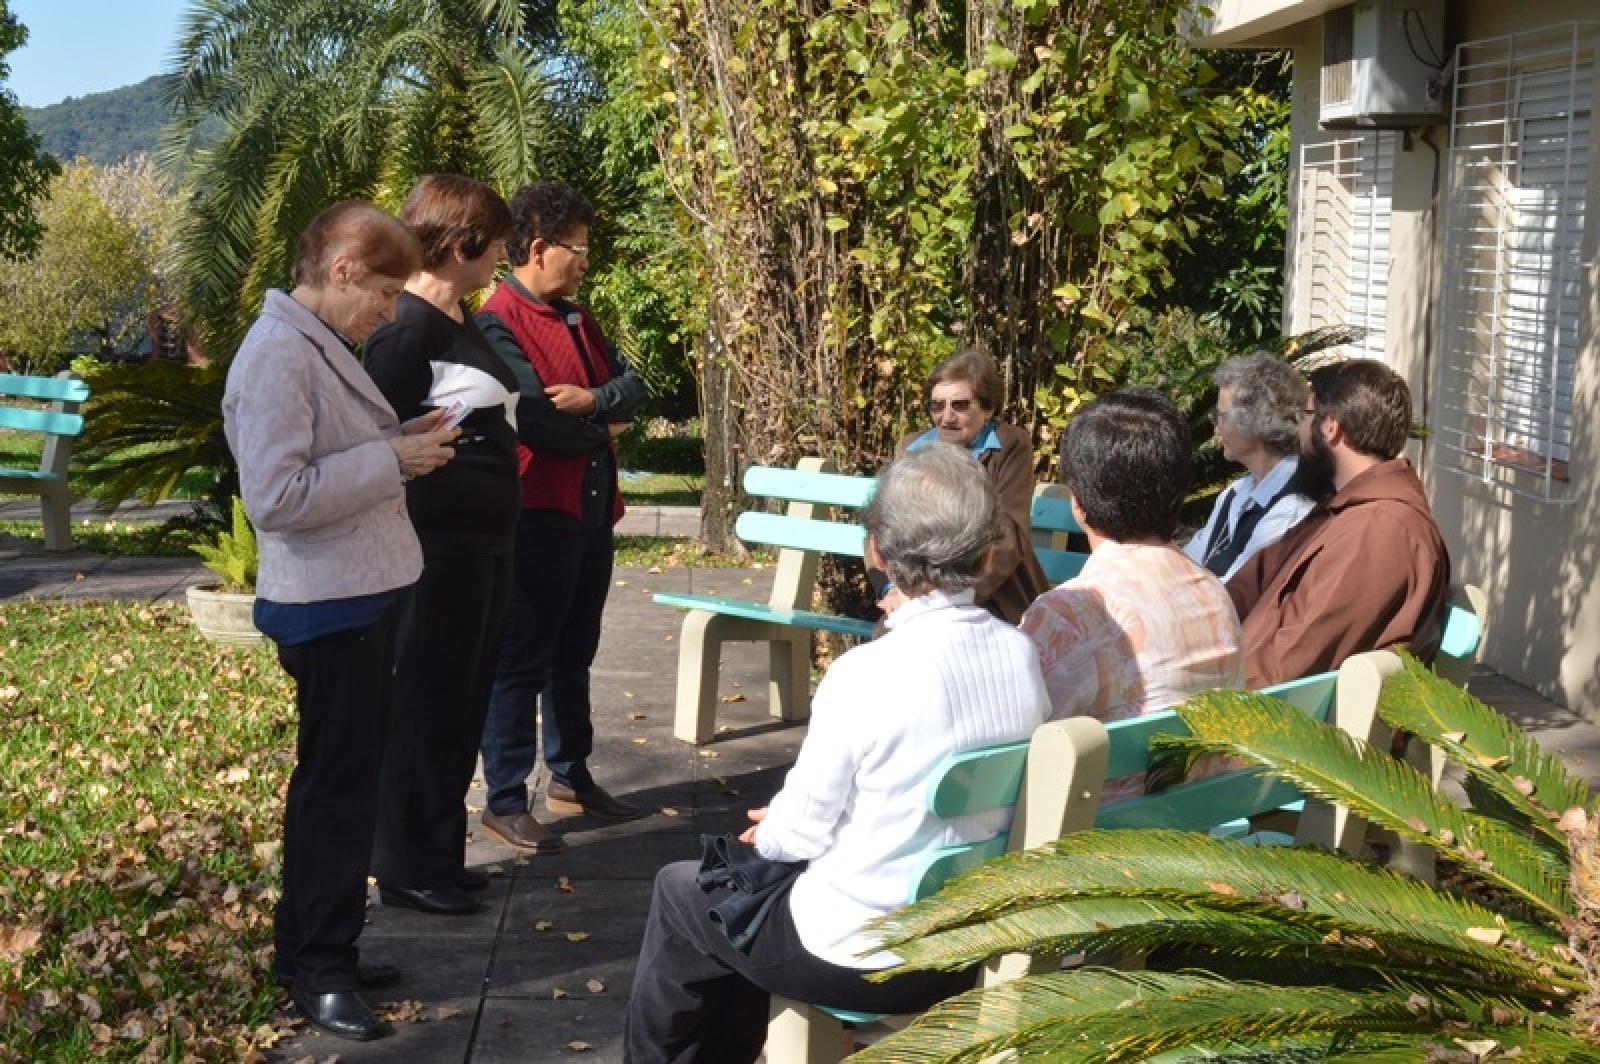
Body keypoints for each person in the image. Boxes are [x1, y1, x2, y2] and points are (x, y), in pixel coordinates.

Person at [623, 444, 1051, 1063]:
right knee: (736, 907)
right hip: (960, 942)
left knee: (686, 894)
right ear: (988, 555)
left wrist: (772, 832)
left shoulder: (866, 673)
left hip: (860, 953)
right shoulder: (1021, 654)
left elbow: (795, 837)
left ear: (875, 551)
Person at [223, 201, 458, 1041]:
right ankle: (318, 967)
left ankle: (320, 947)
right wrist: (390, 458)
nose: (392, 313)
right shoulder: (277, 353)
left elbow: (330, 452)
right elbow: (277, 497)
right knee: (335, 791)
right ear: (343, 270)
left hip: (359, 594)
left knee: (343, 785)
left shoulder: (312, 341)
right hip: (328, 606)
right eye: (387, 294)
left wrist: (402, 436)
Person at [363, 175, 533, 922]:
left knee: (463, 700)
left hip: (484, 546)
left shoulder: (457, 318)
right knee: (427, 703)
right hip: (435, 552)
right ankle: (404, 865)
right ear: (461, 244)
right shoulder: (405, 328)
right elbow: (374, 441)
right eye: (495, 241)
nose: (504, 252)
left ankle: (441, 854)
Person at [476, 180, 648, 845]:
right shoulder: (497, 319)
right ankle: (505, 796)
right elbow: (537, 423)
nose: (585, 262)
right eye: (578, 249)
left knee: (575, 651)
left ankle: (572, 775)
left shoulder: (579, 318)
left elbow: (632, 388)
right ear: (540, 247)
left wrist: (597, 402)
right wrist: (602, 424)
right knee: (523, 657)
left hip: (592, 512)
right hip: (538, 513)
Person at [1021, 387, 1243, 800]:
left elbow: (1013, 753)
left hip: (1087, 852)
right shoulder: (1213, 594)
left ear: (1078, 504)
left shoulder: (1071, 613)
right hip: (1196, 843)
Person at [1227, 359, 1450, 688]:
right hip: (1239, 695)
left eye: (1304, 417)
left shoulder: (1379, 529)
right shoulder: (1346, 512)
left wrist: (1203, 697)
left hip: (1265, 722)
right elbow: (1244, 589)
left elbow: (1295, 664)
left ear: (1330, 427)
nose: (1298, 432)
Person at [881, 347, 1046, 623]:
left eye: (960, 405)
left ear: (988, 408)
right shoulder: (910, 448)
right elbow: (883, 523)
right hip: (918, 591)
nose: (946, 417)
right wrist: (894, 588)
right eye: (937, 405)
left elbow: (1009, 536)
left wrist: (952, 600)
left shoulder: (1010, 445)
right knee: (884, 640)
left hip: (991, 591)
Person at [1183, 352, 1316, 581]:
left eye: (1222, 417)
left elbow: (1237, 590)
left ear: (1257, 421)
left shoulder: (1292, 505)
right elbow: (1187, 561)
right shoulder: (1236, 493)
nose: (1216, 429)